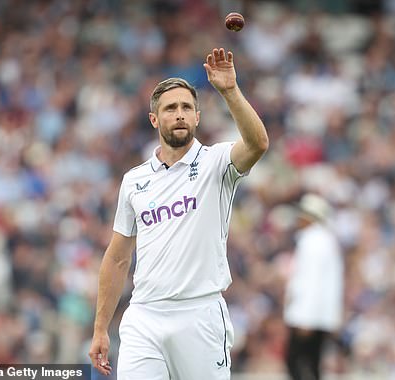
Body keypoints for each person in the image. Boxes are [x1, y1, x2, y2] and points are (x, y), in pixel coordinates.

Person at [88, 48, 269, 380]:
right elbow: (117, 259)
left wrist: (229, 92)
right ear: (155, 119)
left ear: (198, 117)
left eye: (187, 107)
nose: (180, 114)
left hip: (199, 314)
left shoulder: (217, 163)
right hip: (144, 315)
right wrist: (100, 328)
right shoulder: (134, 181)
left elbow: (258, 143)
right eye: (170, 108)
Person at [283, 194, 343, 380]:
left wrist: (305, 317)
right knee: (313, 363)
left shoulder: (312, 241)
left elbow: (311, 281)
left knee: (294, 360)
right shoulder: (325, 240)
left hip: (307, 316)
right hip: (320, 315)